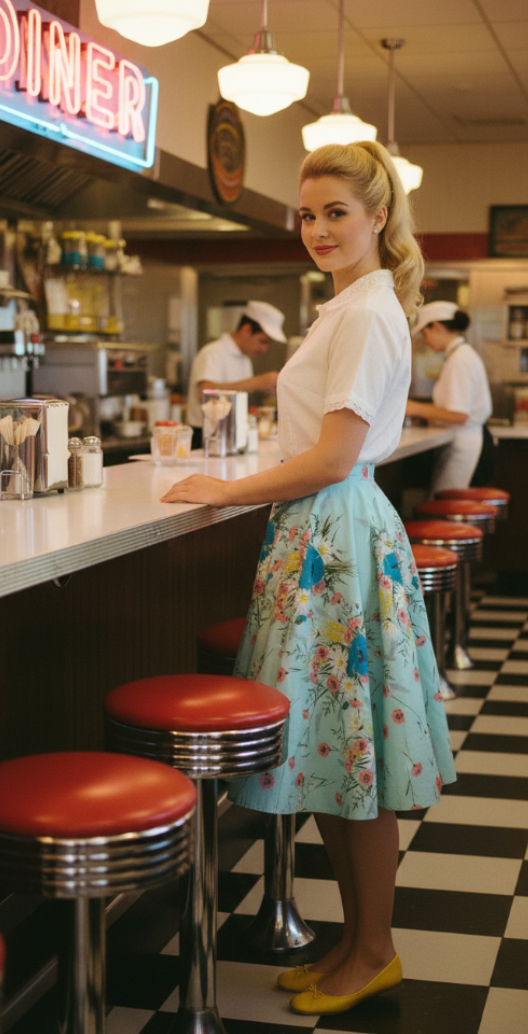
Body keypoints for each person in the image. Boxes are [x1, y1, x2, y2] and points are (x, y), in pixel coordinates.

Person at [161, 141, 456, 1017]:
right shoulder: (345, 309)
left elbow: (332, 456)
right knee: (338, 754)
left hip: (338, 537)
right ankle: (358, 939)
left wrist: (230, 487)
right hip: (323, 538)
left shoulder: (366, 313)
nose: (319, 229)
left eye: (337, 212)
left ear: (377, 219)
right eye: (307, 213)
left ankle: (374, 949)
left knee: (354, 754)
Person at [406, 301, 493, 493]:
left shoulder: (460, 360)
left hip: (462, 446)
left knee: (444, 503)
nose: (425, 340)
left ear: (436, 326)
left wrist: (413, 408)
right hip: (462, 441)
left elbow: (458, 415)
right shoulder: (459, 355)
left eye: (425, 334)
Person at [186, 301, 286, 447]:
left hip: (232, 435)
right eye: (262, 341)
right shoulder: (213, 352)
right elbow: (203, 393)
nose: (264, 349)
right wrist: (255, 383)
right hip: (207, 437)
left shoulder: (244, 359)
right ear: (246, 330)